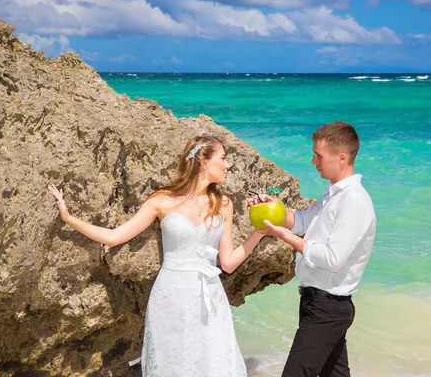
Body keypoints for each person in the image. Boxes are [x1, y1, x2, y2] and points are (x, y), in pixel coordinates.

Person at [48, 135, 264, 377]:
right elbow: (114, 237)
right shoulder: (162, 200)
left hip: (210, 298)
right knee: (173, 363)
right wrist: (68, 218)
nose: (227, 165)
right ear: (203, 160)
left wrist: (258, 233)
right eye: (223, 158)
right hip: (171, 296)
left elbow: (229, 263)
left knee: (215, 363)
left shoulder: (223, 203)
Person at [248, 121, 376, 377]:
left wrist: (284, 236)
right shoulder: (335, 194)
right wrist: (274, 210)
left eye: (318, 155)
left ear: (341, 158)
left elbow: (332, 259)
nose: (313, 162)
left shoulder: (354, 200)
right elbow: (303, 220)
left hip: (328, 308)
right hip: (319, 303)